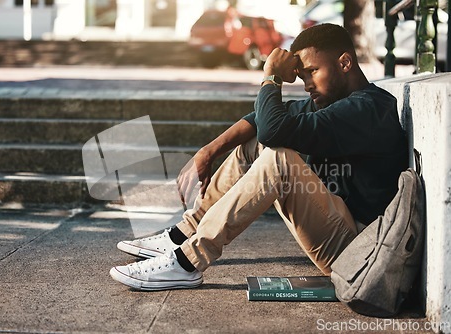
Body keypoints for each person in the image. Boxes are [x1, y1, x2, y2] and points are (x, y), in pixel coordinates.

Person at [109, 24, 409, 291]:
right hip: (337, 229)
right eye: (302, 76)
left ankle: (187, 262)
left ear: (344, 62)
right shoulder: (334, 103)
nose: (306, 85)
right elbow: (259, 121)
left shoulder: (368, 109)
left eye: (313, 72)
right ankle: (184, 233)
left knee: (278, 158)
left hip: (358, 252)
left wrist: (272, 78)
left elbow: (273, 129)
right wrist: (208, 151)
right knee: (254, 145)